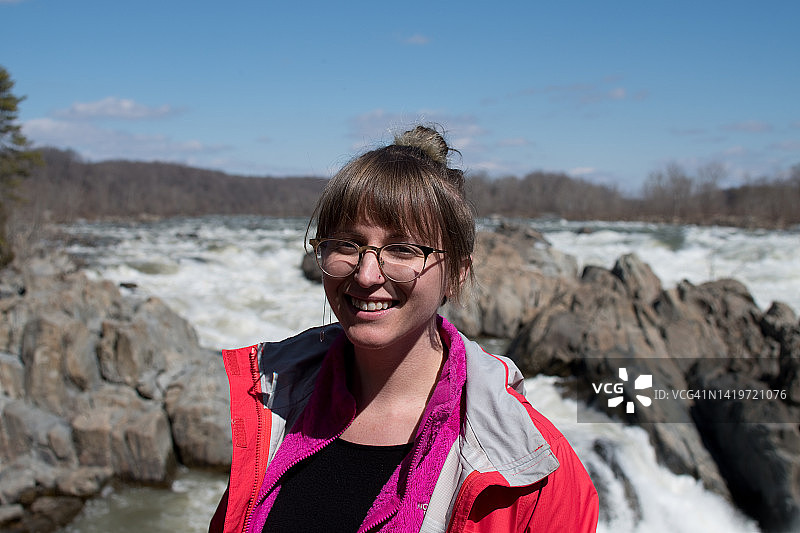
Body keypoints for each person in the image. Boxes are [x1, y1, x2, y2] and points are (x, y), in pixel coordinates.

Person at [209, 125, 599, 532]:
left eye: (402, 250)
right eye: (346, 244)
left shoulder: (533, 468)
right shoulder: (272, 404)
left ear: (457, 274)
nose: (365, 274)